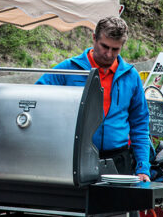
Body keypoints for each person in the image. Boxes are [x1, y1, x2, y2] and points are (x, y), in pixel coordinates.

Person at [36, 17, 150, 181]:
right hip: (75, 159)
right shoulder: (68, 70)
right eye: (104, 46)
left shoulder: (131, 76)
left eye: (115, 49)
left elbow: (140, 124)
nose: (109, 54)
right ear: (94, 38)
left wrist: (143, 168)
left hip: (119, 161)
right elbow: (37, 99)